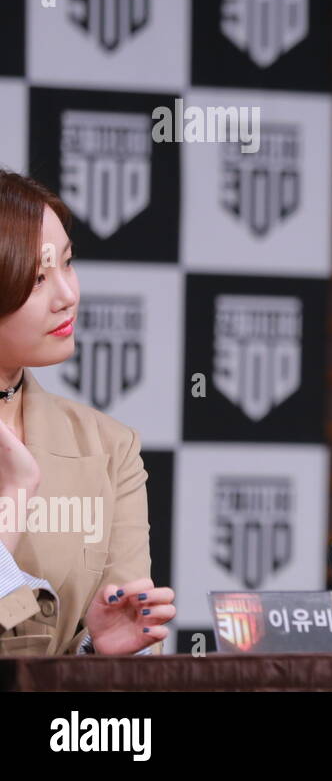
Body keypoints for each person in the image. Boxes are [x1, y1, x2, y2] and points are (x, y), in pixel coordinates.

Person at [0, 170, 174, 656]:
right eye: (37, 278)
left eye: (68, 263)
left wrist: (96, 652)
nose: (68, 295)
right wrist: (13, 496)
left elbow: (134, 648)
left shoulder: (108, 447)